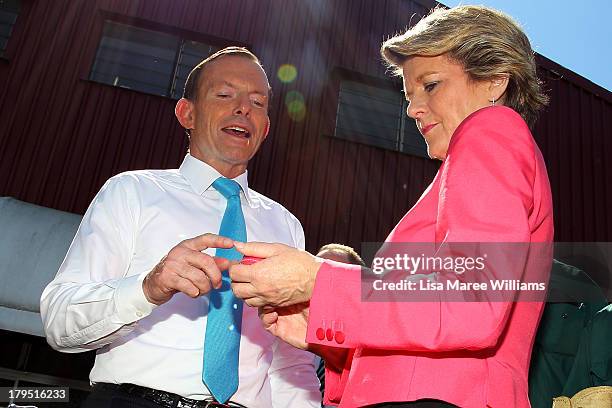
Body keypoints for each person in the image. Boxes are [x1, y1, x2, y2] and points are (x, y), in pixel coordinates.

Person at [224, 6, 554, 408]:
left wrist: (319, 281)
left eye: (430, 86)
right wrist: (323, 325)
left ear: (494, 81)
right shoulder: (474, 164)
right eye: (409, 95)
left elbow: (470, 300)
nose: (413, 109)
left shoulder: (490, 131)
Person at [40, 47, 320, 408]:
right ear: (187, 113)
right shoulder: (132, 192)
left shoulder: (286, 226)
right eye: (224, 94)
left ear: (264, 129)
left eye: (258, 102)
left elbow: (290, 360)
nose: (243, 109)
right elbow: (60, 322)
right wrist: (148, 288)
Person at [314, 244, 366, 406]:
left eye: (332, 275)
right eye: (315, 270)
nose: (320, 280)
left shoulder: (365, 351)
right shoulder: (281, 328)